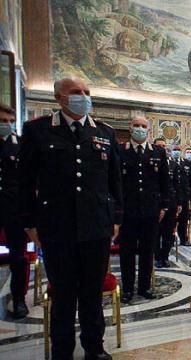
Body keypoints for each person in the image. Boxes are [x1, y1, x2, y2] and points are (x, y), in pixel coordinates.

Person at [18, 77, 122, 360]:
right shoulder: (37, 131)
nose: (83, 96)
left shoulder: (104, 132)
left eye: (87, 92)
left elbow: (115, 180)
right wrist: (29, 222)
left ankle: (94, 347)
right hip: (56, 227)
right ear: (59, 98)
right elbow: (24, 182)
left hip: (96, 226)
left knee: (92, 293)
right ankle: (62, 351)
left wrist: (117, 219)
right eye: (76, 92)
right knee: (63, 295)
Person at [118, 117, 169, 303]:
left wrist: (164, 205)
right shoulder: (120, 151)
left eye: (143, 126)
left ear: (149, 130)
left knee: (148, 251)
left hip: (151, 210)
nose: (140, 129)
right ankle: (127, 288)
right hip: (127, 211)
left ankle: (145, 286)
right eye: (136, 125)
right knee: (127, 251)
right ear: (130, 128)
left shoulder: (158, 152)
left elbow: (164, 181)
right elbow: (115, 181)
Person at [0, 104, 29, 319]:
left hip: (14, 209)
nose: (7, 125)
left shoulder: (21, 146)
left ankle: (18, 298)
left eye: (11, 121)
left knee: (18, 256)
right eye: (3, 121)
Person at [155, 139, 184, 268]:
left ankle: (165, 256)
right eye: (158, 146)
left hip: (171, 203)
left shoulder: (173, 164)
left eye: (163, 146)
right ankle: (157, 256)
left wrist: (179, 203)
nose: (161, 149)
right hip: (155, 203)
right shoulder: (149, 162)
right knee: (156, 232)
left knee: (169, 232)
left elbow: (177, 185)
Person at [173, 144, 191, 247]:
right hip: (173, 196)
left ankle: (183, 238)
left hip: (184, 195)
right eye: (174, 150)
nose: (176, 151)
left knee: (184, 219)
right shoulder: (169, 162)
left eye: (178, 150)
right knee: (172, 219)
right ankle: (171, 239)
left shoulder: (187, 163)